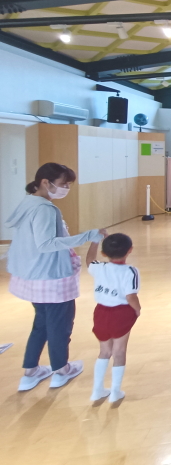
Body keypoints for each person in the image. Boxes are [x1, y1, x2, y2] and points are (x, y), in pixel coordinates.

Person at [6, 163, 106, 392]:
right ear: (45, 182)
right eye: (63, 184)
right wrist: (87, 236)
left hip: (33, 276)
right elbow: (46, 244)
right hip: (50, 277)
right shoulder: (45, 209)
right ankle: (61, 369)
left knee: (41, 324)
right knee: (60, 326)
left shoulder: (29, 202)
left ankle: (30, 371)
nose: (66, 189)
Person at [86, 233, 140, 403]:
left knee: (104, 351)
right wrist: (137, 309)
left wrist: (95, 241)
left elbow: (89, 260)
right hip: (122, 313)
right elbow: (131, 296)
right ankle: (115, 391)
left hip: (101, 312)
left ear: (104, 253)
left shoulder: (99, 267)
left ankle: (97, 390)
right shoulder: (130, 271)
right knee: (119, 351)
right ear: (130, 250)